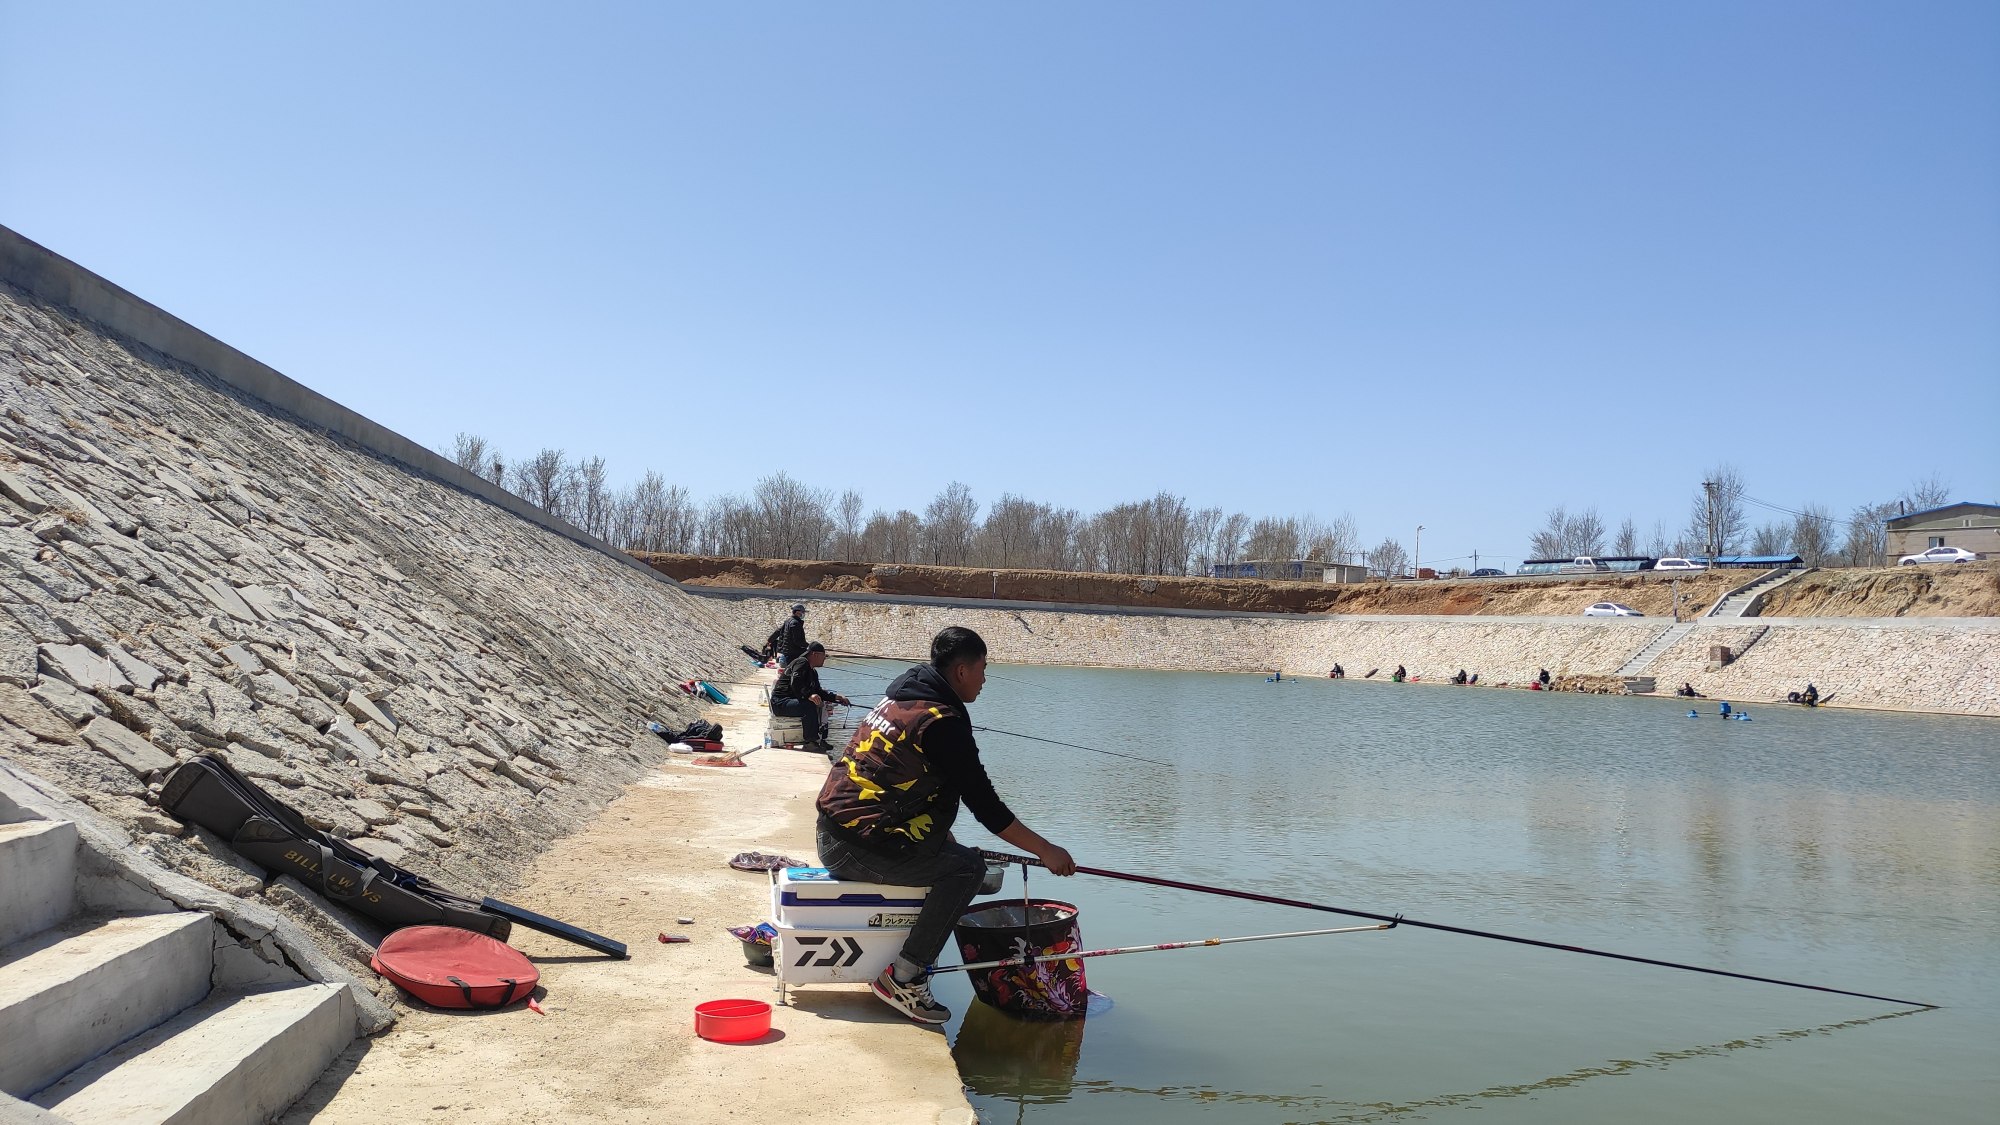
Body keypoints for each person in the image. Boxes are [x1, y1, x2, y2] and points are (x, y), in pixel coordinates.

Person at [815, 626, 1075, 1024]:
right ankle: (904, 975)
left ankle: (905, 961)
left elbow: (911, 782)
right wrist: (1046, 850)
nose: (985, 680)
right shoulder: (942, 722)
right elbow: (986, 806)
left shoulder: (905, 696)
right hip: (856, 846)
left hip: (838, 830)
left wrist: (940, 833)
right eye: (983, 669)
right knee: (967, 870)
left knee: (955, 855)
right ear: (960, 671)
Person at [770, 642, 849, 753]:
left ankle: (821, 739)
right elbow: (795, 683)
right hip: (781, 703)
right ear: (815, 654)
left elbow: (819, 692)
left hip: (791, 702)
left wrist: (836, 697)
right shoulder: (801, 662)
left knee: (822, 704)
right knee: (809, 705)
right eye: (824, 656)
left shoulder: (813, 672)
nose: (824, 659)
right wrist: (809, 695)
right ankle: (810, 742)